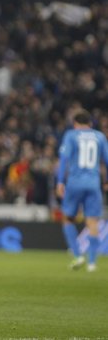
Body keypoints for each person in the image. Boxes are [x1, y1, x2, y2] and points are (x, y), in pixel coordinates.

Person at [56, 110, 108, 272]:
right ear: (90, 124)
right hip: (93, 184)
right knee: (92, 222)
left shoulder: (71, 135)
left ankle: (78, 255)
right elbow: (107, 160)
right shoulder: (99, 136)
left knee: (68, 218)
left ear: (75, 124)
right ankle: (92, 263)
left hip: (75, 182)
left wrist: (59, 182)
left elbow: (64, 160)